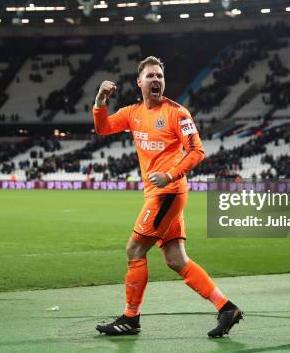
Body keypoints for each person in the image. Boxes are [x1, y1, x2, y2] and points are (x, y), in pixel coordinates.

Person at [92, 56, 243, 338]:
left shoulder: (177, 113)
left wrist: (170, 175)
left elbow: (197, 151)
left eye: (159, 76)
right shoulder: (133, 113)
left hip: (168, 193)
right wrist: (100, 99)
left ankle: (130, 318)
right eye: (150, 76)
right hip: (162, 195)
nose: (156, 80)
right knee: (176, 259)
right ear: (140, 82)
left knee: (134, 250)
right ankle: (226, 308)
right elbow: (102, 128)